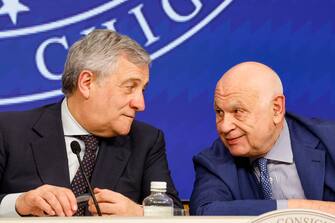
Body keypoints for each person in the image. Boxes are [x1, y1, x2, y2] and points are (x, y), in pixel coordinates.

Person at [0, 29, 182, 217]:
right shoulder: (9, 132)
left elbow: (177, 214)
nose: (140, 104)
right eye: (130, 87)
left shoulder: (146, 141)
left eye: (142, 90)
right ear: (87, 83)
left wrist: (139, 213)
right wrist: (18, 204)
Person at [190, 61, 335, 216]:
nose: (224, 127)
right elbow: (205, 213)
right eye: (219, 112)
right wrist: (303, 209)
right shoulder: (213, 161)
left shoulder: (329, 139)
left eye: (238, 111)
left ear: (276, 109)